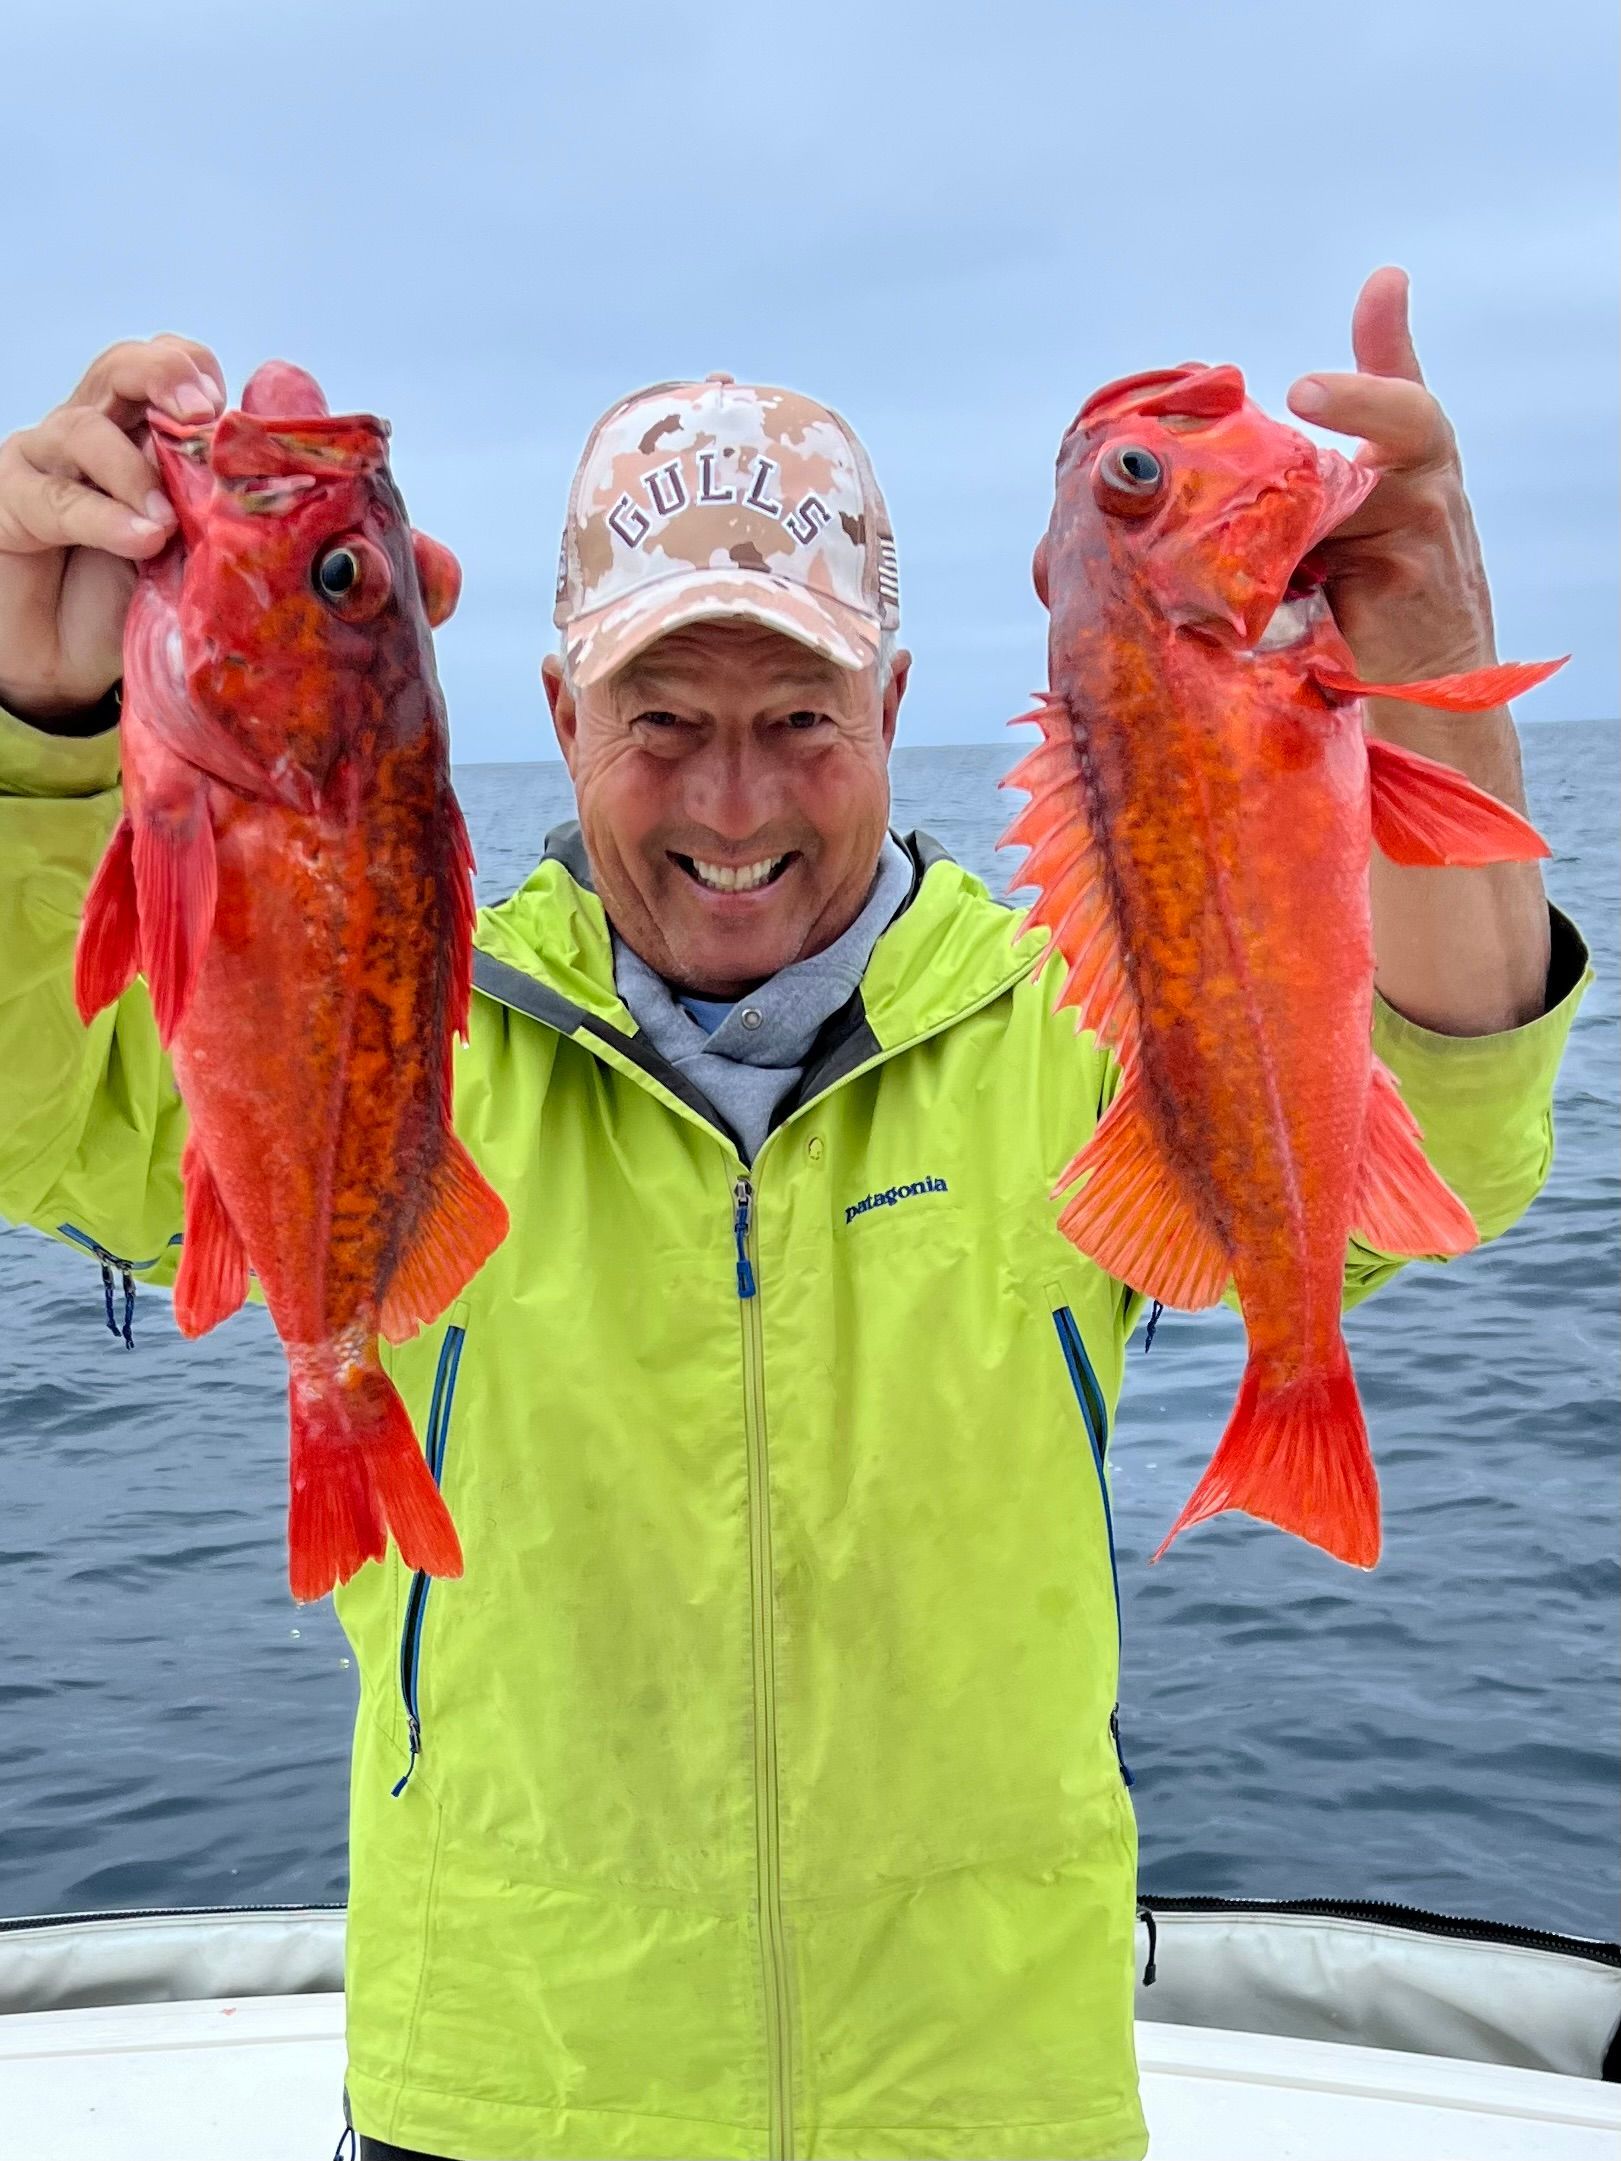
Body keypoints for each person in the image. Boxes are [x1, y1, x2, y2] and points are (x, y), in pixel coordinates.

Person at [0, 269, 1589, 2161]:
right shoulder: (411, 1035)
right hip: (508, 2099)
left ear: (895, 700)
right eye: (660, 712)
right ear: (556, 706)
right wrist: (40, 711)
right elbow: (43, 1114)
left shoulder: (1058, 1037)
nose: (729, 796)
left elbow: (1454, 1149)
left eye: (801, 714)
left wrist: (1421, 648)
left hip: (982, 2104)